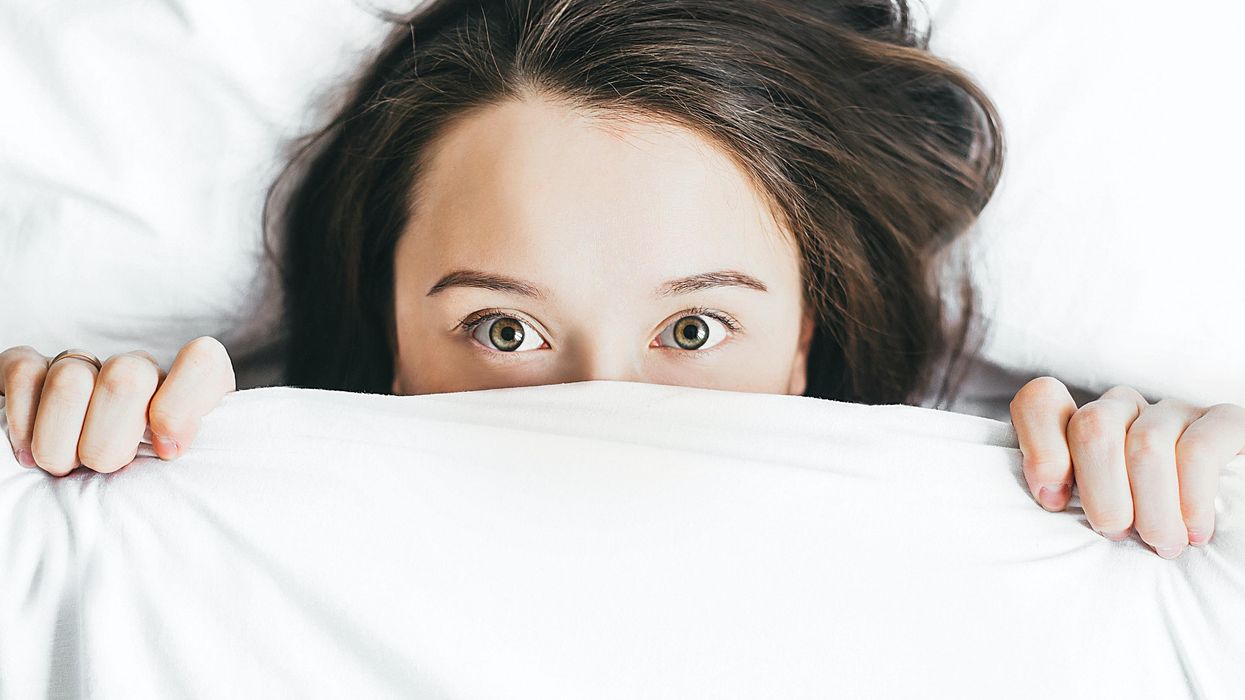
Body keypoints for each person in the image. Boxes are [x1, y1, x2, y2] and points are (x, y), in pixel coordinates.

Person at [1, 0, 1242, 560]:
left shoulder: (1033, 529)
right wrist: (54, 457)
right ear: (388, 341)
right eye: (503, 326)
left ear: (808, 335)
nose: (605, 406)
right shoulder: (190, 532)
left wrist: (1196, 488)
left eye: (694, 326)